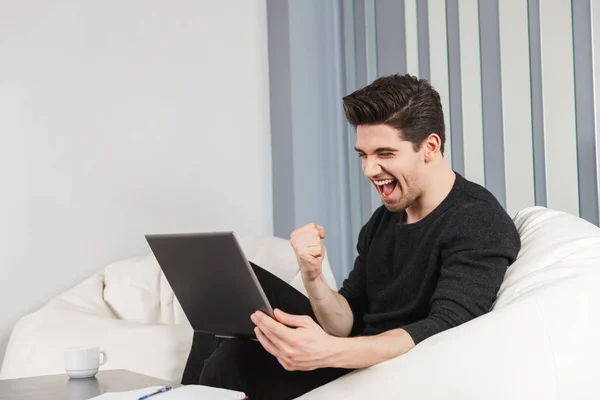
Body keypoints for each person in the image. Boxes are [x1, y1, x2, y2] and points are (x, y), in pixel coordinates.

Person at [182, 74, 521, 399]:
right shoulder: (385, 218)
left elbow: (445, 330)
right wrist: (312, 275)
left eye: (385, 154)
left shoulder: (478, 221)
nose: (370, 170)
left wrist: (330, 352)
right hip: (356, 344)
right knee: (224, 285)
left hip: (392, 366)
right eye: (363, 155)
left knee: (233, 360)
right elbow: (346, 320)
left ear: (429, 147)